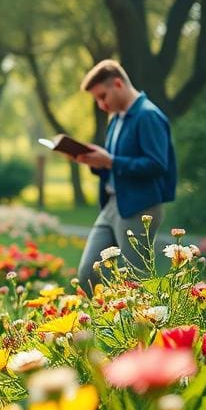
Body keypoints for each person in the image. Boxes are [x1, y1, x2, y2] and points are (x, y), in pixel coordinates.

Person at [73, 59, 177, 288]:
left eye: (102, 96)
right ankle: (102, 323)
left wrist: (110, 160)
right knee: (88, 275)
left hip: (139, 207)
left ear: (118, 84)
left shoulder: (147, 115)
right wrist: (94, 161)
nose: (101, 105)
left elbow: (157, 165)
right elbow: (115, 166)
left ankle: (144, 324)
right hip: (112, 205)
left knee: (136, 281)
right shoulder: (116, 119)